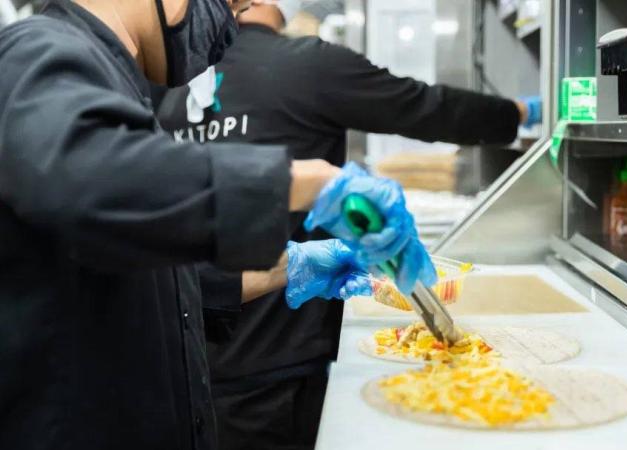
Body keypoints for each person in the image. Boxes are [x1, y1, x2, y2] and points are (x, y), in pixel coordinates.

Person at [0, 0, 434, 449]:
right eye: (229, 4)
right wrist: (311, 183)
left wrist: (291, 266)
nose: (227, 32)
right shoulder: (40, 50)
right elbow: (87, 182)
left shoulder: (118, 80)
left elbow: (141, 277)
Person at [156, 1, 542, 449]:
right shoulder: (307, 64)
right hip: (279, 349)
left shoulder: (168, 85)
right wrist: (522, 113)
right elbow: (426, 106)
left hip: (189, 342)